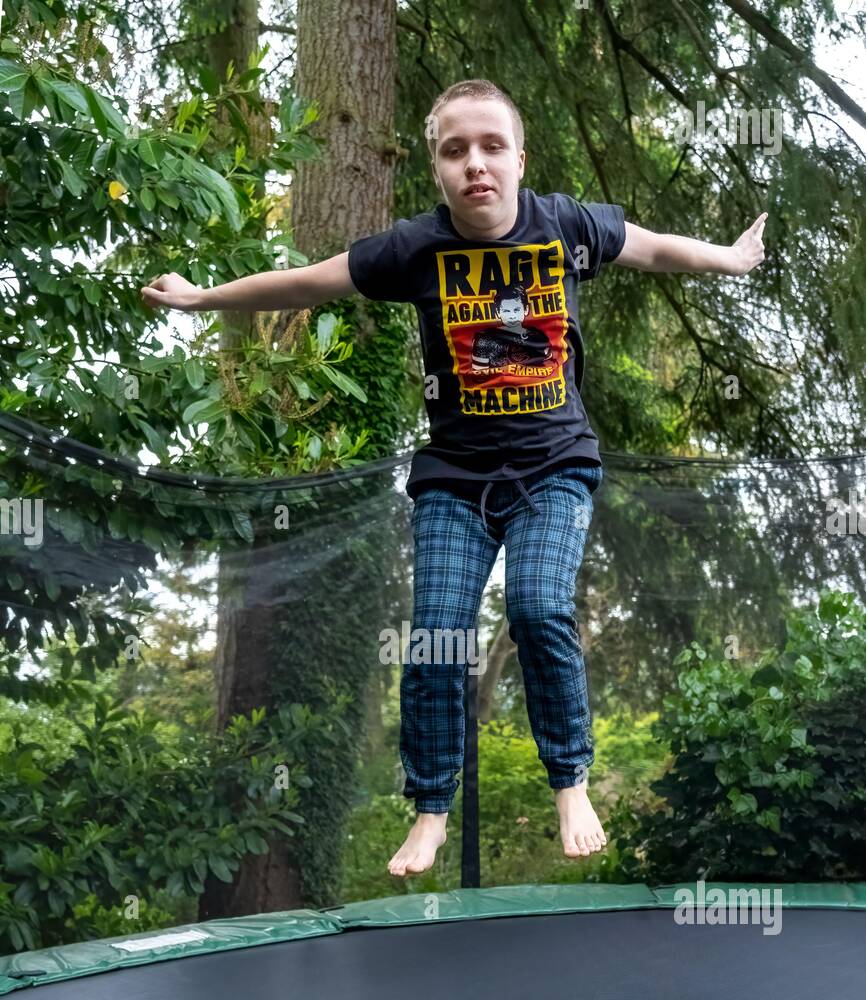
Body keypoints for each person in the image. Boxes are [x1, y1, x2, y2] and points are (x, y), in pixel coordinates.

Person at [141, 78, 767, 879]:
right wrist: (204, 301)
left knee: (541, 607)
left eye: (492, 146)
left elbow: (653, 248)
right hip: (454, 481)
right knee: (436, 633)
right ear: (437, 167)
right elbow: (310, 280)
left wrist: (732, 259)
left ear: (518, 159)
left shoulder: (567, 225)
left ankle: (570, 781)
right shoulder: (415, 248)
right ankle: (431, 808)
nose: (476, 165)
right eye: (454, 150)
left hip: (555, 468)